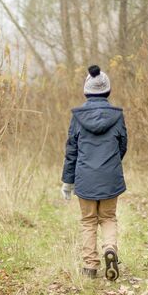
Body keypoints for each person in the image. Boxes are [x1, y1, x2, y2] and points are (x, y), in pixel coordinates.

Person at [61, 65, 128, 281]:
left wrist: (67, 183)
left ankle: (90, 266)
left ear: (86, 91)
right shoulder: (117, 116)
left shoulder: (78, 118)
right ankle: (110, 249)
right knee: (108, 217)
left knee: (88, 220)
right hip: (110, 178)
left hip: (85, 178)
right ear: (107, 91)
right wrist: (111, 164)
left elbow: (71, 151)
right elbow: (123, 146)